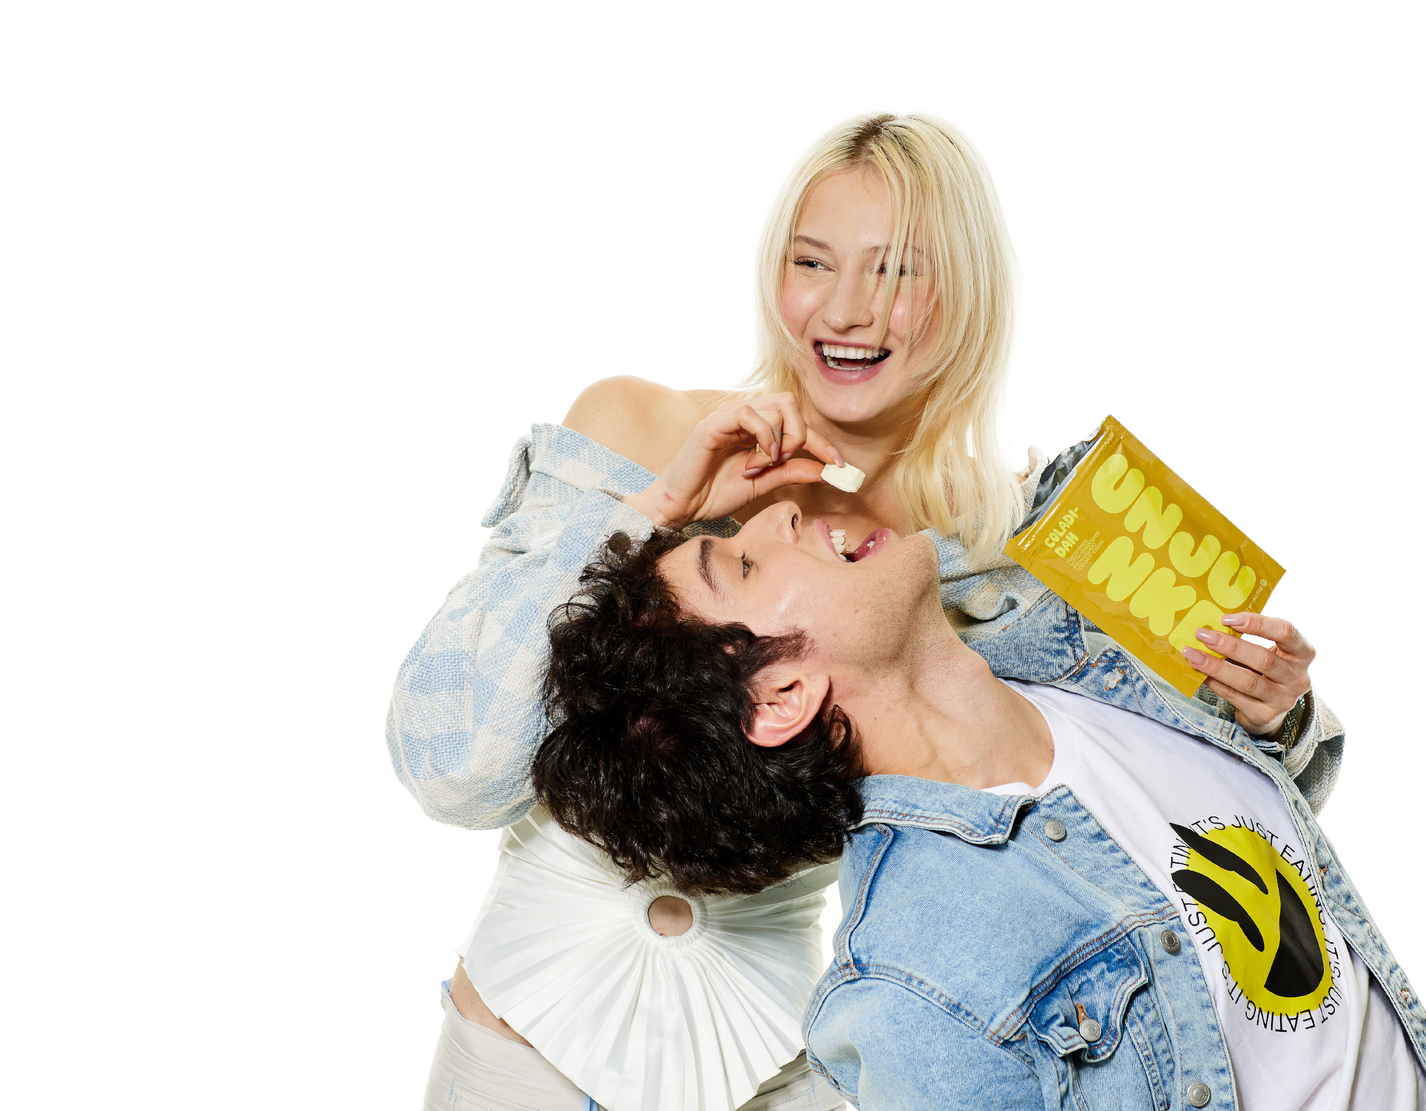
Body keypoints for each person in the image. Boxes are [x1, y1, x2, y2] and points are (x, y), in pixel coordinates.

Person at [387, 114, 1334, 1111]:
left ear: (967, 294)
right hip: (519, 1049)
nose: (844, 310)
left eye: (896, 270)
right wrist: (653, 509)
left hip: (781, 1072)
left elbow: (1191, 808)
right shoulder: (644, 428)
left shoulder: (1010, 542)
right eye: (811, 262)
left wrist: (1279, 713)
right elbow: (452, 767)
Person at [532, 505, 1424, 1110]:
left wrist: (1282, 720)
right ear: (780, 696)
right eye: (744, 563)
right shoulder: (913, 996)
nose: (783, 513)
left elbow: (1232, 871)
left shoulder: (1085, 643)